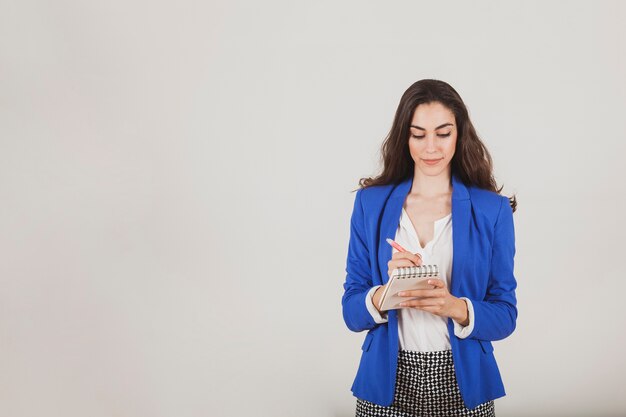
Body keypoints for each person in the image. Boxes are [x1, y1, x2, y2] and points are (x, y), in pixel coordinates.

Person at [341, 79, 518, 417]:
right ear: (404, 137)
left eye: (443, 133)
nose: (431, 147)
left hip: (463, 383)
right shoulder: (371, 204)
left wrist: (455, 307)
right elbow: (351, 311)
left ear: (460, 134)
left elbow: (506, 314)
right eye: (418, 134)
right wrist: (385, 294)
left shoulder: (491, 210)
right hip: (386, 384)